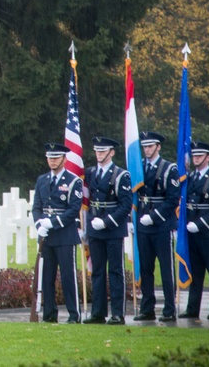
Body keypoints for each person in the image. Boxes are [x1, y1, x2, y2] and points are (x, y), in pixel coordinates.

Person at [82, 136, 132, 325]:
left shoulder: (121, 175)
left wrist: (107, 221)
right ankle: (98, 312)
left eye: (103, 151)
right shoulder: (90, 173)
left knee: (116, 271)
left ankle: (118, 313)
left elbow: (126, 204)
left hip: (112, 229)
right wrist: (86, 225)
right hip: (95, 228)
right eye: (97, 151)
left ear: (112, 152)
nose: (99, 154)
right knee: (98, 272)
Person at [31, 142, 83, 324]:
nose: (52, 161)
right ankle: (49, 313)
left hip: (65, 236)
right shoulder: (42, 180)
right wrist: (39, 224)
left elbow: (73, 209)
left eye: (56, 157)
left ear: (64, 159)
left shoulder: (74, 181)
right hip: (46, 236)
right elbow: (36, 206)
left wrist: (52, 223)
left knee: (68, 277)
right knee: (47, 278)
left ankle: (74, 314)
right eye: (50, 157)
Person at [133, 131, 181, 322]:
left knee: (166, 268)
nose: (147, 150)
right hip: (143, 223)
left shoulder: (170, 169)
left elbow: (172, 200)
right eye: (144, 146)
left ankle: (169, 309)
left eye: (150, 146)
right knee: (146, 268)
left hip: (162, 224)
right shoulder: (138, 168)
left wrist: (154, 217)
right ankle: (147, 308)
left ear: (158, 147)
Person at [181, 140, 209, 320]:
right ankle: (192, 308)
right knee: (196, 274)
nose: (196, 158)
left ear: (208, 157)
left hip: (208, 233)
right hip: (191, 234)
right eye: (194, 156)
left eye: (200, 155)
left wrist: (198, 224)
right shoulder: (189, 178)